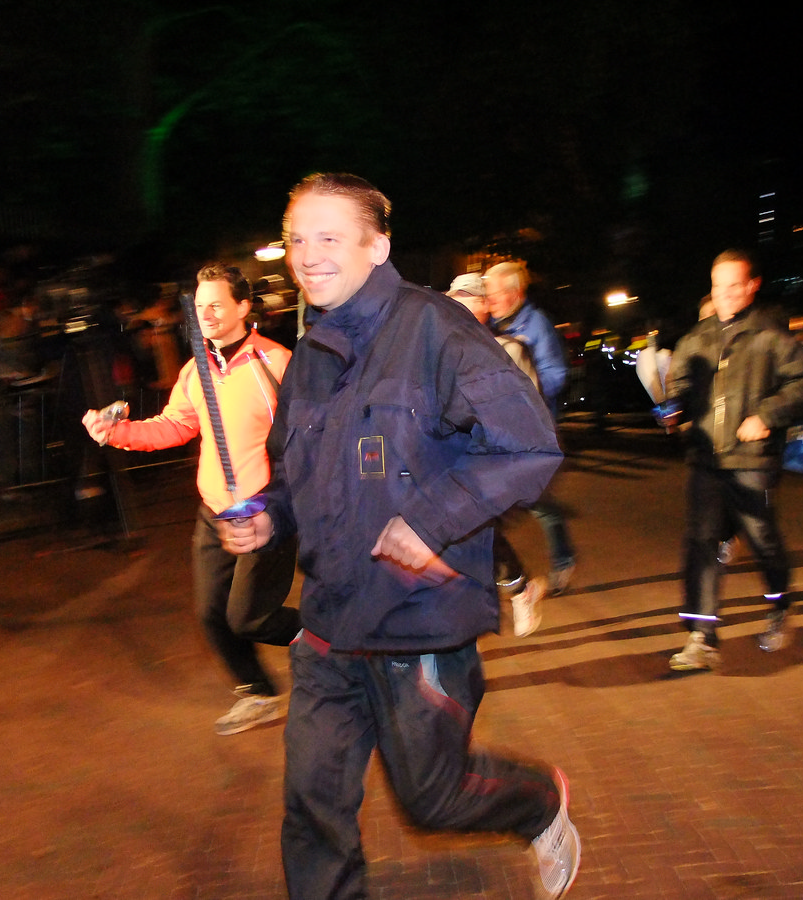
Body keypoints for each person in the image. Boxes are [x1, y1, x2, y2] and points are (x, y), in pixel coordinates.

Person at [217, 173, 579, 900]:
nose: (307, 255)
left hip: (419, 621)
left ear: (377, 246)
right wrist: (268, 515)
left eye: (328, 237)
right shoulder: (311, 354)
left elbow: (529, 446)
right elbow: (296, 476)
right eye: (296, 239)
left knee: (433, 799)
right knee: (313, 805)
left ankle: (538, 803)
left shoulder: (438, 330)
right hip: (329, 625)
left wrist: (430, 521)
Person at [81, 263, 299, 734]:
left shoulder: (277, 363)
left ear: (243, 307)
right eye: (200, 306)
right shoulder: (196, 368)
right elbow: (175, 425)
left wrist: (286, 503)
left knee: (250, 617)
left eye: (217, 304)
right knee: (211, 614)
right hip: (214, 512)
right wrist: (115, 432)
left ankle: (332, 639)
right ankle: (258, 694)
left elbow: (307, 441)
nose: (207, 314)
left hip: (265, 512)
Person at [661, 249, 803, 671]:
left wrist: (766, 415)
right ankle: (701, 637)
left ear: (752, 286)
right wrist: (673, 408)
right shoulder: (696, 338)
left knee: (761, 538)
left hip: (751, 460)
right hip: (706, 458)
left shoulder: (771, 335)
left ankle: (780, 603)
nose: (726, 294)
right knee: (702, 542)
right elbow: (679, 386)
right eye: (719, 286)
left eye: (735, 285)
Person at [447, 271, 548, 636]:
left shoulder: (508, 350)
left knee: (473, 531)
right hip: (456, 462)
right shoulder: (444, 353)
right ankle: (517, 590)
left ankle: (510, 593)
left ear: (483, 306)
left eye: (464, 302)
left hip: (497, 462)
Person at [483, 260, 577, 594]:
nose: (490, 300)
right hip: (502, 434)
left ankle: (558, 563)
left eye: (495, 293)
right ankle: (504, 570)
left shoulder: (536, 325)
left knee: (529, 502)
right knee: (525, 501)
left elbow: (556, 374)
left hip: (534, 433)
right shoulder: (491, 324)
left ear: (516, 293)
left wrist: (523, 394)